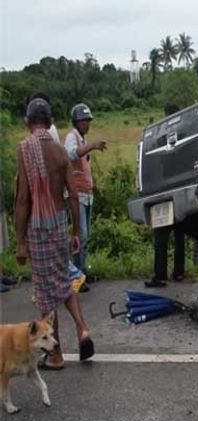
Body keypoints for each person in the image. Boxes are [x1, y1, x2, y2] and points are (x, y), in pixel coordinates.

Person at [14, 98, 94, 367]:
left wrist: (21, 241)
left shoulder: (25, 150)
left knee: (46, 293)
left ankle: (56, 355)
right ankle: (83, 328)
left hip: (38, 227)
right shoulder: (60, 152)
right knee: (64, 280)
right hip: (60, 223)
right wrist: (74, 231)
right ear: (49, 123)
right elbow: (73, 195)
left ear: (28, 123)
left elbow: (23, 199)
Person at [25, 92, 87, 293]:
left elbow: (22, 196)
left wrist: (20, 240)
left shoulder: (33, 142)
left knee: (50, 262)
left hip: (44, 211)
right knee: (58, 258)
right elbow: (72, 190)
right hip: (58, 209)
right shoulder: (53, 135)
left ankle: (73, 277)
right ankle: (77, 320)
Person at [64, 103, 106, 282]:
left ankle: (81, 271)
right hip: (76, 194)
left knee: (86, 236)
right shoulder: (71, 137)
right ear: (76, 122)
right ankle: (76, 275)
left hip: (86, 194)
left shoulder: (82, 138)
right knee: (80, 235)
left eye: (88, 121)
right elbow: (71, 155)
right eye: (83, 121)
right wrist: (92, 146)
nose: (87, 124)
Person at [145, 104, 185, 288]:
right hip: (181, 191)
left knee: (161, 235)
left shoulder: (164, 138)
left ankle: (160, 276)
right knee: (179, 234)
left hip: (166, 190)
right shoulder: (184, 133)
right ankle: (179, 272)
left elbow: (158, 163)